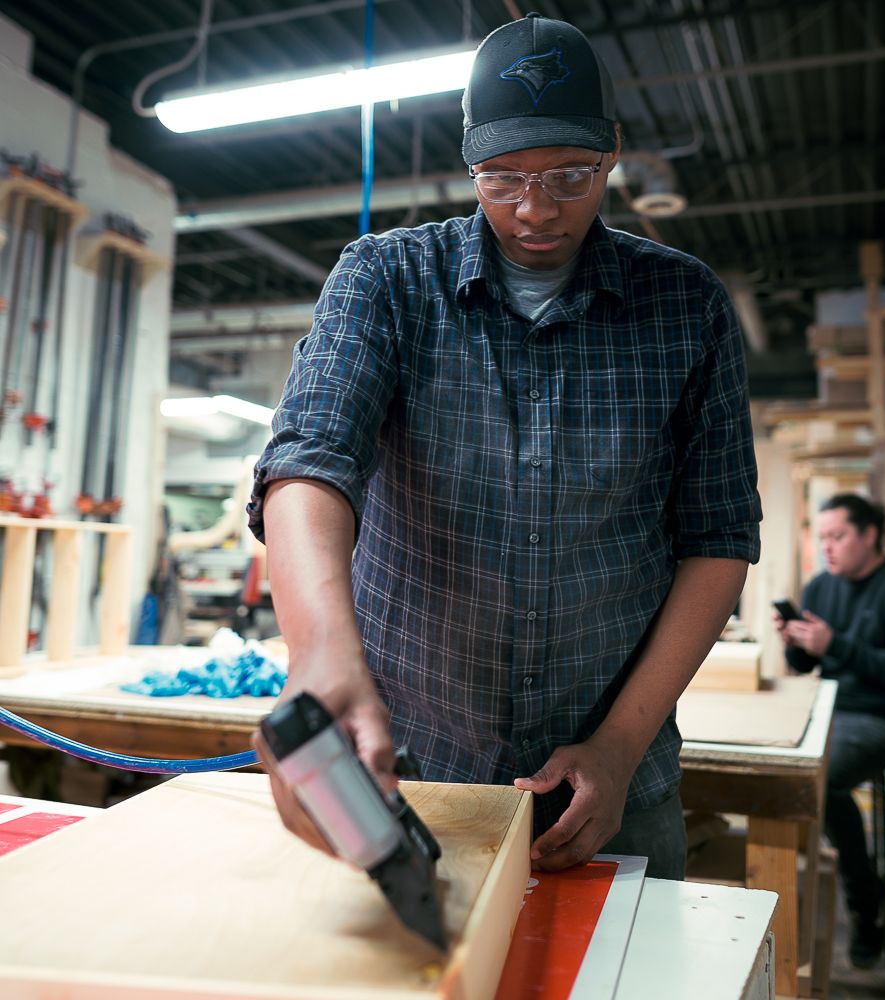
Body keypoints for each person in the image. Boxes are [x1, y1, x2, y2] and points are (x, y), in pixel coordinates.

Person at [248, 12, 761, 880]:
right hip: (406, 769)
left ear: (613, 151)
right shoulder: (386, 280)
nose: (535, 209)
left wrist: (618, 745)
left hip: (611, 785)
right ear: (469, 161)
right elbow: (309, 461)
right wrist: (321, 656)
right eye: (500, 178)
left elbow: (717, 540)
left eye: (570, 175)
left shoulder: (686, 307)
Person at [776, 493, 885, 968]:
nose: (827, 547)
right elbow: (804, 664)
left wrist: (836, 645)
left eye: (838, 536)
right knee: (780, 768)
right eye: (822, 537)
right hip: (829, 709)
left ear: (869, 535)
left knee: (818, 778)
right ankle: (783, 902)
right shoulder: (821, 587)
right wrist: (795, 642)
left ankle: (864, 900)